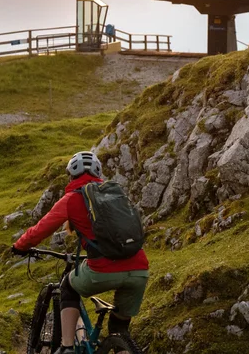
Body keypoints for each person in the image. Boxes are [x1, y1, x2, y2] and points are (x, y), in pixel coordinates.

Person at [13, 151, 149, 354]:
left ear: (71, 175)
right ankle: (122, 347)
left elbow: (41, 229)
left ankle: (67, 346)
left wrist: (20, 246)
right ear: (98, 173)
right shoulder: (115, 194)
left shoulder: (71, 199)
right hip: (139, 269)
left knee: (68, 286)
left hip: (102, 269)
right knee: (119, 331)